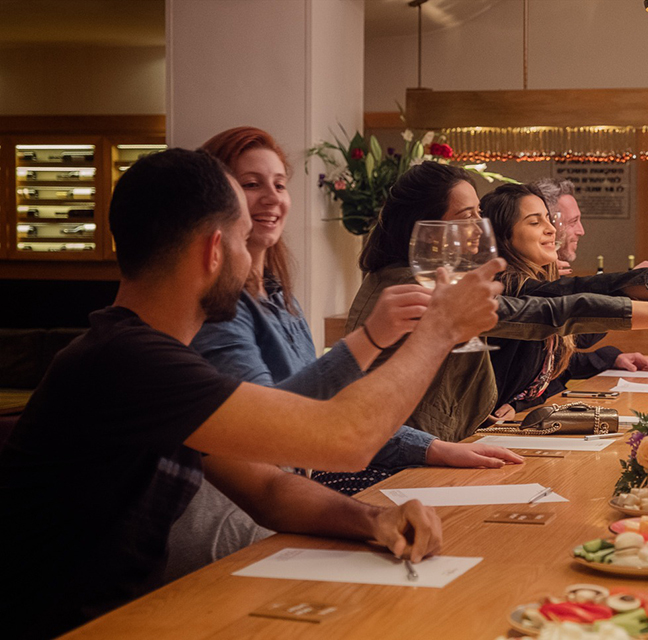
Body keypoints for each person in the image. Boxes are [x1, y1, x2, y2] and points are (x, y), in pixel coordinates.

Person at [0, 149, 504, 638]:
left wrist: (375, 520)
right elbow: (345, 438)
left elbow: (267, 489)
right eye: (244, 240)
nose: (253, 261)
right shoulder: (128, 360)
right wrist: (440, 329)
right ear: (214, 250)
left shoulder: (149, 354)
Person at [165, 128, 522, 580]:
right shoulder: (210, 316)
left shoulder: (278, 296)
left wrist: (431, 448)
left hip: (285, 512)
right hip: (227, 537)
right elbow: (282, 432)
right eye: (251, 184)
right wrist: (422, 332)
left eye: (280, 184)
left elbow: (318, 418)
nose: (272, 198)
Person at [347, 162, 648, 440]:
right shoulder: (419, 286)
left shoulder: (425, 279)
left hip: (434, 446)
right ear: (425, 228)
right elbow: (554, 311)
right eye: (467, 216)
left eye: (479, 214)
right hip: (396, 459)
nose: (479, 228)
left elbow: (569, 302)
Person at [480, 183, 648, 416]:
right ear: (503, 236)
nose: (551, 229)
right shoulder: (508, 288)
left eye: (549, 219)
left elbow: (550, 365)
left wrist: (606, 358)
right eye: (535, 222)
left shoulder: (535, 284)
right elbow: (579, 302)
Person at [531, 177, 648, 391]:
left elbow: (555, 357)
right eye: (573, 222)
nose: (581, 230)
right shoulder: (520, 284)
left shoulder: (553, 277)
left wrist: (610, 358)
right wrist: (629, 287)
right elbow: (574, 335)